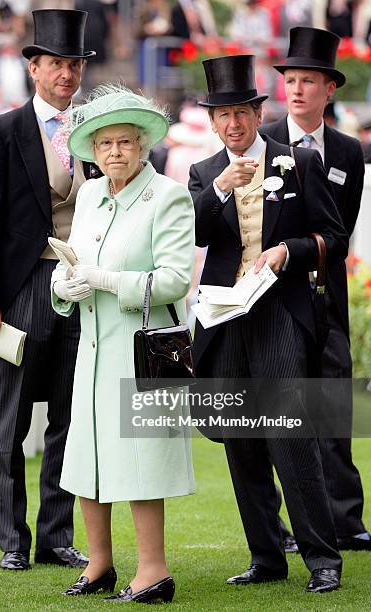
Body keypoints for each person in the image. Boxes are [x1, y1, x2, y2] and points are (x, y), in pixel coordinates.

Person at [188, 54, 348, 593]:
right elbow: (200, 233)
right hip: (224, 314)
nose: (232, 123)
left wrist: (287, 251)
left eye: (242, 111)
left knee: (290, 436)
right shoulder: (204, 174)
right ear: (212, 122)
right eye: (222, 115)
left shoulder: (297, 162)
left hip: (279, 311)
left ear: (258, 113)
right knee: (241, 439)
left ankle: (323, 559)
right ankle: (266, 556)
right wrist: (221, 190)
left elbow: (334, 236)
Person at [51, 84, 195, 604]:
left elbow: (176, 279)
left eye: (125, 143)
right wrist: (62, 287)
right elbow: (71, 262)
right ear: (93, 150)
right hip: (90, 352)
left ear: (143, 145)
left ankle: (154, 572)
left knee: (140, 464)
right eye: (105, 144)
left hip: (141, 352)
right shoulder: (88, 194)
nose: (115, 152)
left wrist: (108, 280)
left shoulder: (169, 196)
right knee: (87, 459)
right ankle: (99, 565)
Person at [0, 9, 97, 572]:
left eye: (72, 65)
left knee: (71, 415)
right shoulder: (1, 131)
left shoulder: (96, 130)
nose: (65, 74)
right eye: (55, 65)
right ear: (34, 69)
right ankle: (13, 541)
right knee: (13, 420)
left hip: (83, 285)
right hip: (22, 287)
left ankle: (57, 536)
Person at [261, 26, 371, 552]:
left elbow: (341, 227)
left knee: (334, 401)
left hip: (327, 287)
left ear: (330, 89)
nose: (298, 89)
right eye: (292, 80)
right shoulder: (265, 145)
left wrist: (316, 253)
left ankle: (346, 520)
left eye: (310, 81)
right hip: (279, 292)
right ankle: (286, 526)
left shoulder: (349, 151)